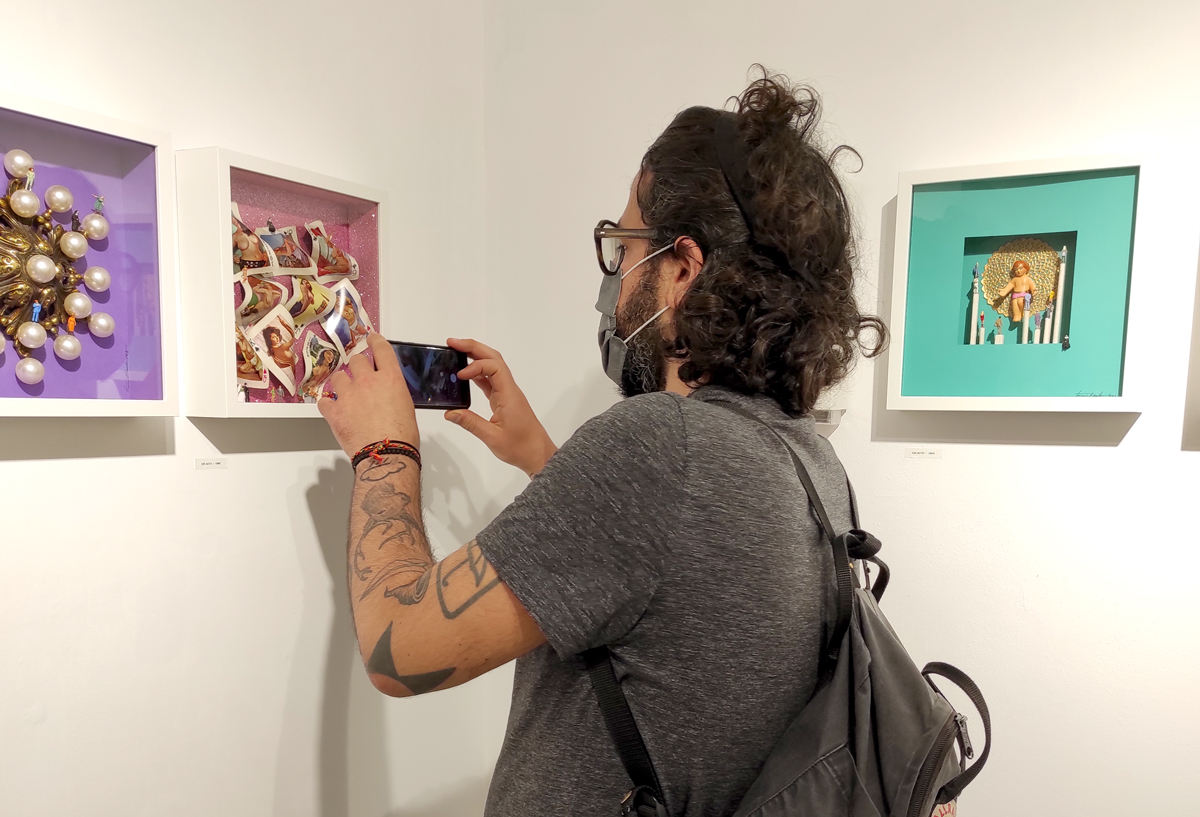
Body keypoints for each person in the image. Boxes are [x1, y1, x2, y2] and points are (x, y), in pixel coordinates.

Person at [317, 69, 885, 817]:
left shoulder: (659, 445)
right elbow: (671, 594)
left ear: (682, 270)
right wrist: (542, 458)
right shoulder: (807, 457)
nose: (615, 277)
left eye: (624, 244)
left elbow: (399, 647)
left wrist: (384, 451)